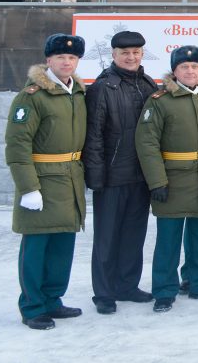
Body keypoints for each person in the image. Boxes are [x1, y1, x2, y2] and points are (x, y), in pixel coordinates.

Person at [5, 34, 88, 330]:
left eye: (72, 58)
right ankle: (32, 306)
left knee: (62, 247)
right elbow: (17, 145)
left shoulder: (77, 92)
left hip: (70, 179)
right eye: (60, 57)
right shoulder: (32, 96)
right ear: (48, 60)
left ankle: (53, 300)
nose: (67, 62)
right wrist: (29, 188)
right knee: (37, 247)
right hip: (42, 180)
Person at [136, 45, 198, 313]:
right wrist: (157, 181)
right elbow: (147, 143)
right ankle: (164, 290)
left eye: (194, 66)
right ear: (174, 71)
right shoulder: (160, 100)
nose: (190, 71)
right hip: (172, 179)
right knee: (168, 240)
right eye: (183, 67)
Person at [83, 30, 156, 315]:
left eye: (136, 52)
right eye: (125, 53)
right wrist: (95, 175)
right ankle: (104, 293)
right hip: (112, 176)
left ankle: (127, 285)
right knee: (107, 237)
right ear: (114, 55)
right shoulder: (103, 87)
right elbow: (93, 135)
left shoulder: (148, 84)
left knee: (134, 235)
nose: (131, 57)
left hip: (141, 174)